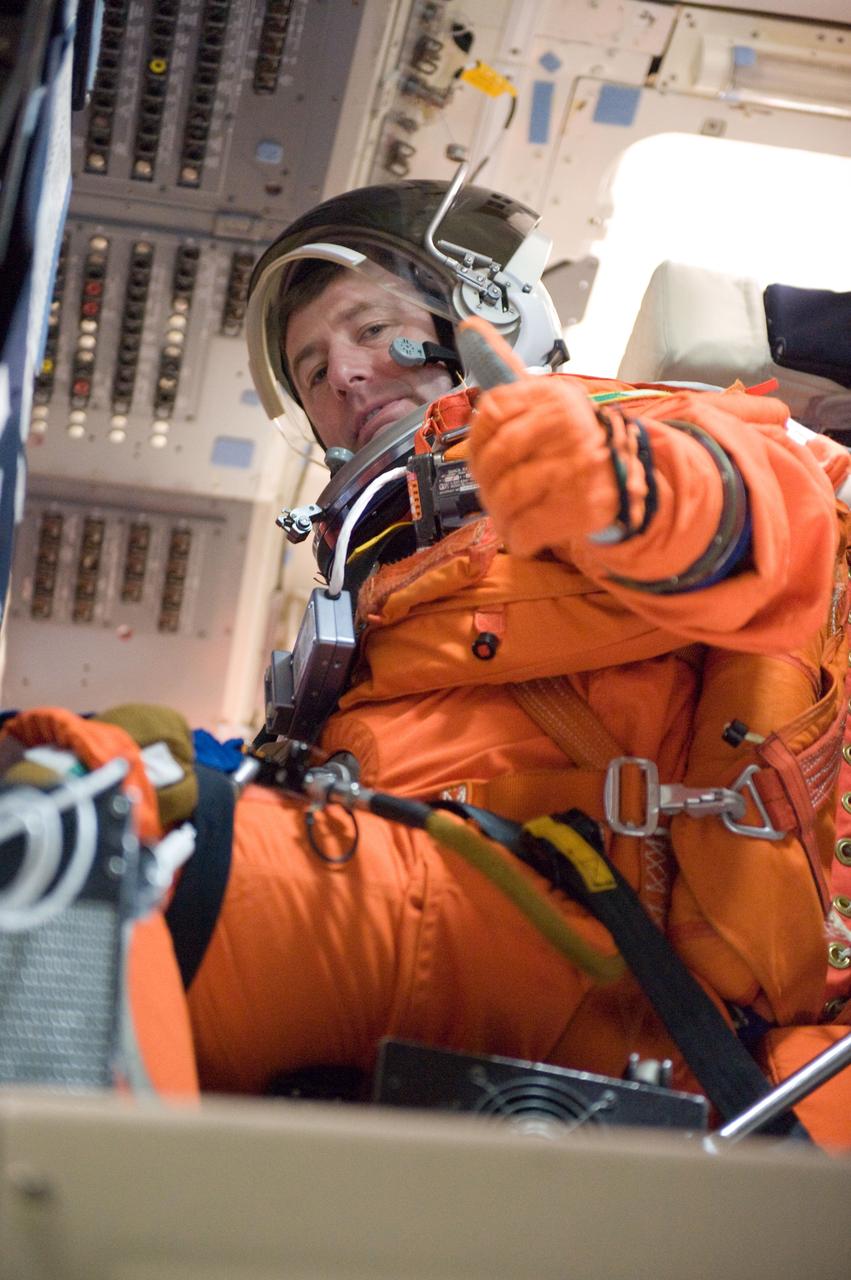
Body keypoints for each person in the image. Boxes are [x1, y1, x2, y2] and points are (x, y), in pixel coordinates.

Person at [5, 178, 851, 1143]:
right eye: (312, 365)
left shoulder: (626, 431)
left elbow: (775, 523)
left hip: (610, 955)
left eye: (369, 328)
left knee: (90, 828)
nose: (344, 376)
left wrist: (628, 494)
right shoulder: (375, 595)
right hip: (487, 932)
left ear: (484, 314)